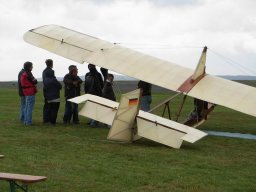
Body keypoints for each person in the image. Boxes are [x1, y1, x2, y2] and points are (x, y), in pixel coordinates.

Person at [20, 61, 38, 126]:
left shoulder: (23, 73)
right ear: (29, 67)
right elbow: (35, 81)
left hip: (26, 92)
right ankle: (28, 122)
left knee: (27, 107)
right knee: (30, 107)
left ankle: (25, 121)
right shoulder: (29, 73)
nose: (32, 67)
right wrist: (35, 81)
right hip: (30, 91)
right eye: (31, 66)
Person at [42, 59, 54, 123]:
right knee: (50, 105)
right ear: (51, 63)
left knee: (46, 104)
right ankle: (48, 119)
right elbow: (52, 80)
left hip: (45, 89)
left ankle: (45, 119)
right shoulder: (51, 71)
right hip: (50, 89)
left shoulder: (44, 71)